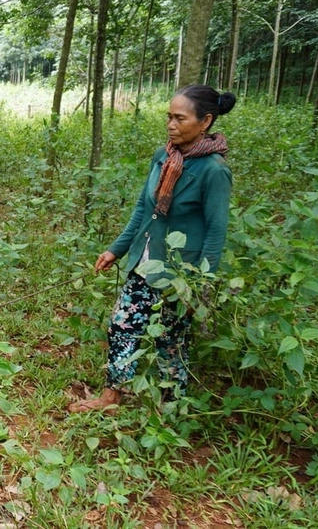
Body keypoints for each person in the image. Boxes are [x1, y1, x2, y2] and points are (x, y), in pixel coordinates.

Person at [69, 84, 235, 413]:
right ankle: (111, 396)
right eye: (168, 117)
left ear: (205, 122)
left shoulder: (214, 171)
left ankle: (170, 408)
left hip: (179, 273)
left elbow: (216, 231)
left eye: (180, 118)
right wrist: (116, 249)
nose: (171, 125)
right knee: (121, 325)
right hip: (145, 263)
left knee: (171, 341)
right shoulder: (163, 157)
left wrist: (200, 285)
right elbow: (144, 211)